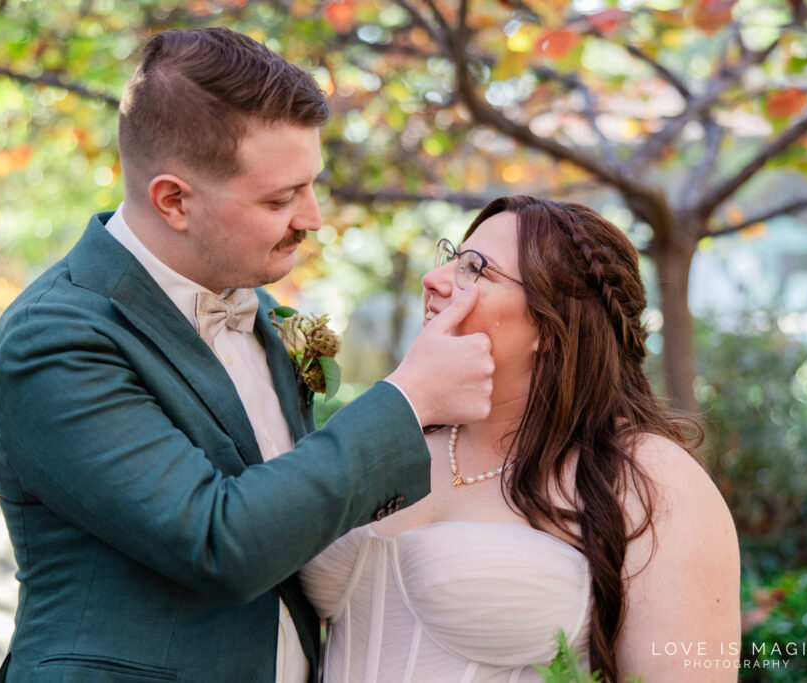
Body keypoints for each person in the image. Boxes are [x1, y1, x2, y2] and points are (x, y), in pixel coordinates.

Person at [0, 28, 496, 682]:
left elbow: (300, 502)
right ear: (174, 200)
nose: (313, 217)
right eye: (280, 198)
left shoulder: (261, 310)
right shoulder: (55, 337)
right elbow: (221, 541)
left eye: (311, 185)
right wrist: (411, 397)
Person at [300, 195, 741, 682]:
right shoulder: (393, 439)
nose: (435, 279)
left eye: (476, 269)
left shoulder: (649, 480)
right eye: (451, 256)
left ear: (551, 325)